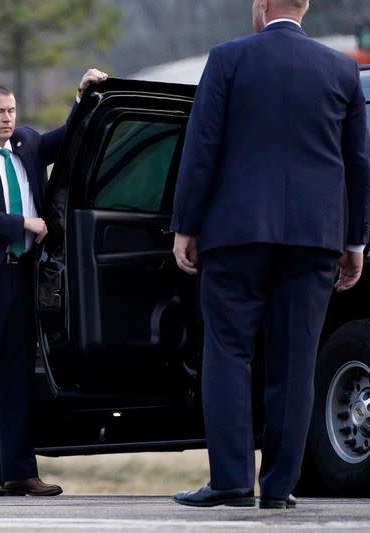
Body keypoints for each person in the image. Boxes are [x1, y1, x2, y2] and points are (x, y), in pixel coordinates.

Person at [171, 0, 370, 509]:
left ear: (261, 6)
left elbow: (202, 148)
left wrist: (185, 226)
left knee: (229, 353)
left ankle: (232, 481)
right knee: (296, 361)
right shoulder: (343, 68)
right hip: (314, 239)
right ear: (304, 8)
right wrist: (354, 242)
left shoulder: (228, 59)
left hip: (235, 235)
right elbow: (358, 162)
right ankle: (279, 487)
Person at [0, 68, 108, 497]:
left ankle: (19, 471)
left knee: (16, 378)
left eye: (12, 110)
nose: (8, 118)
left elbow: (67, 138)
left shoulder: (26, 145)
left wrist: (82, 97)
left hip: (20, 277)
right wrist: (24, 222)